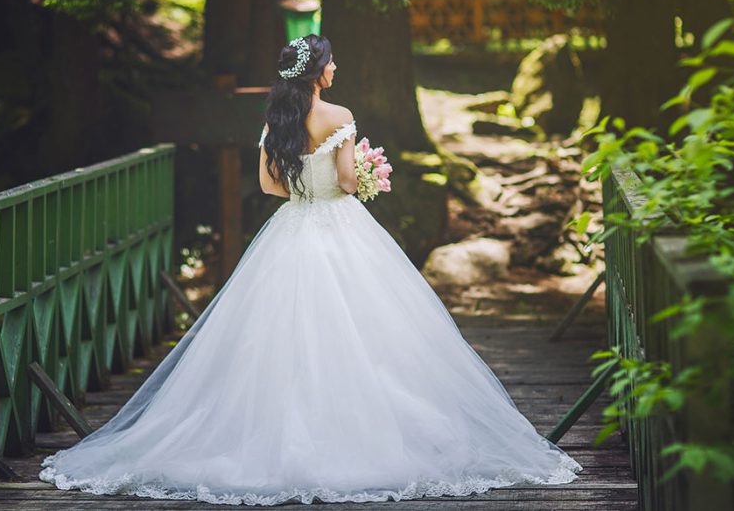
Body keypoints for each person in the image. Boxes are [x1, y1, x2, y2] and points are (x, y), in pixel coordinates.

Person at [39, 34, 582, 505]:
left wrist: (311, 183)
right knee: (371, 326)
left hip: (292, 229)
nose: (336, 68)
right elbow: (347, 182)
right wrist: (360, 173)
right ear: (318, 70)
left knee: (278, 331)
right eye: (332, 62)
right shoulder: (339, 117)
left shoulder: (276, 121)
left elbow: (269, 186)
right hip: (342, 227)